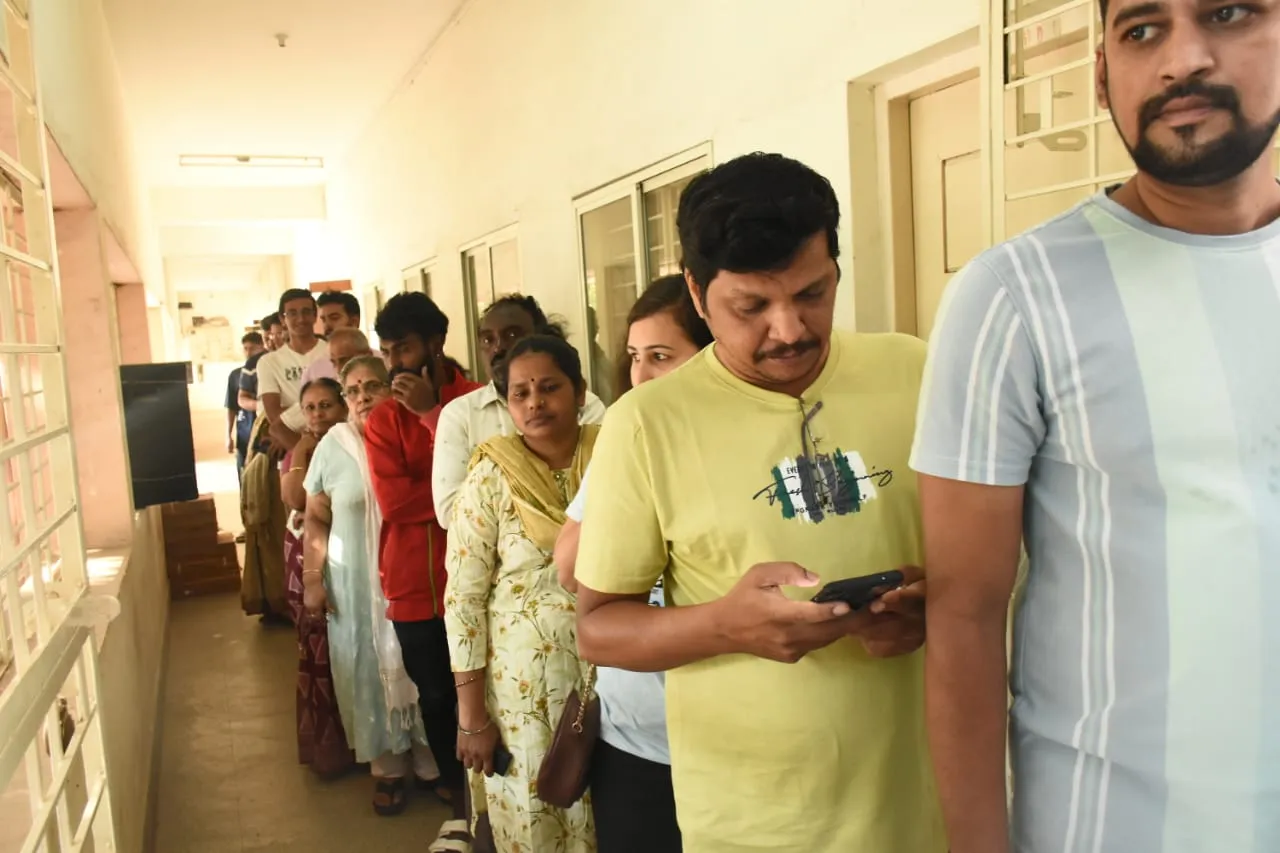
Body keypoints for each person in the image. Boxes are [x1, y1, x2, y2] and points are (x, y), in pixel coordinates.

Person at [912, 3, 1280, 851]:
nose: (1182, 58)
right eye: (1142, 28)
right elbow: (965, 619)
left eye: (1227, 13)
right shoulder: (1015, 297)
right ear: (1102, 73)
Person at [573, 153, 942, 853]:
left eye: (814, 293)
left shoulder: (914, 369)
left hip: (918, 806)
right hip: (753, 822)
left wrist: (933, 607)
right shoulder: (649, 423)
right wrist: (728, 624)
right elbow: (597, 629)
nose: (790, 329)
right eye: (752, 307)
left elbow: (986, 555)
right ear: (696, 290)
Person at [553, 274, 712, 853]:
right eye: (635, 357)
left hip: (729, 740)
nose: (641, 376)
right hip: (637, 739)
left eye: (662, 357)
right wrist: (629, 465)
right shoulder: (627, 444)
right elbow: (569, 566)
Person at [446, 335, 598, 853]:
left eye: (550, 387)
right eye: (520, 393)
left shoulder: (614, 455)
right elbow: (462, 599)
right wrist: (472, 718)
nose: (534, 402)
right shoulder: (490, 475)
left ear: (580, 392)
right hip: (523, 694)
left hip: (617, 674)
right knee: (538, 817)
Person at [364, 292, 482, 849]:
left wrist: (433, 417)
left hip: (480, 579)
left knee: (487, 690)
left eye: (402, 349)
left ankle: (497, 791)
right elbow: (397, 503)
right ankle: (460, 801)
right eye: (385, 352)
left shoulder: (479, 401)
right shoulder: (383, 418)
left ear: (435, 344)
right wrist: (451, 492)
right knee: (436, 695)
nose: (392, 364)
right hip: (413, 583)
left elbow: (489, 482)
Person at [301, 356, 438, 816]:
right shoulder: (332, 447)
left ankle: (431, 762)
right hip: (356, 587)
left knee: (423, 665)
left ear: (392, 390)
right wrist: (314, 578)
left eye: (372, 387)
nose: (362, 398)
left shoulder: (413, 433)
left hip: (414, 578)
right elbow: (316, 518)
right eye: (353, 391)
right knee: (363, 668)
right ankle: (387, 768)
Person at [432, 295, 607, 527]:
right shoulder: (460, 415)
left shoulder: (584, 405)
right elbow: (449, 514)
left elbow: (606, 490)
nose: (498, 347)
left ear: (539, 338)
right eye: (487, 339)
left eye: (512, 335)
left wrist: (494, 503)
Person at [280, 378, 354, 778]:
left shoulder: (354, 443)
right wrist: (303, 451)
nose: (317, 414)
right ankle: (331, 747)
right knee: (320, 650)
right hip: (309, 556)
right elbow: (293, 498)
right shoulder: (305, 448)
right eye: (309, 407)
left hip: (353, 558)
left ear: (343, 407)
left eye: (326, 405)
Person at [260, 289, 330, 453]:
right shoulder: (269, 362)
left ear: (315, 315)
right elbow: (274, 416)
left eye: (306, 312)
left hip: (335, 442)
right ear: (282, 319)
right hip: (291, 447)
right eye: (292, 313)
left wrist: (292, 413)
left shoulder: (332, 352)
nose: (300, 319)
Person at [227, 332, 266, 480]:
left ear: (262, 347)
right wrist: (228, 435)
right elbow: (231, 406)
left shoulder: (268, 367)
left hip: (262, 432)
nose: (249, 353)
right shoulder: (235, 375)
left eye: (253, 348)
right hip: (244, 431)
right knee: (244, 476)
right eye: (245, 348)